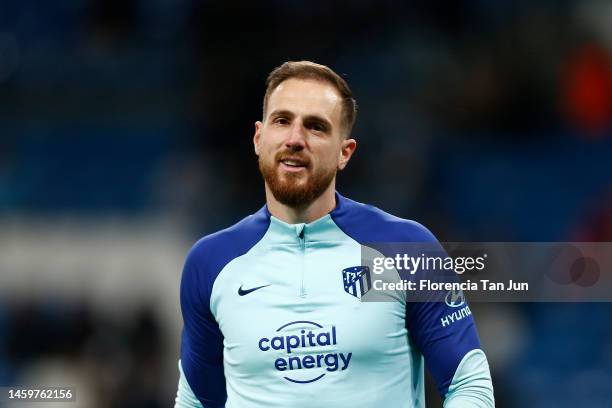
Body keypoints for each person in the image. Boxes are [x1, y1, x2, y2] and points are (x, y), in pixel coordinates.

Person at [174, 61, 494, 407]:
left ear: (345, 152)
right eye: (282, 121)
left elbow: (469, 385)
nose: (295, 139)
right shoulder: (210, 263)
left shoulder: (405, 249)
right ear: (258, 137)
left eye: (315, 127)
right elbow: (195, 401)